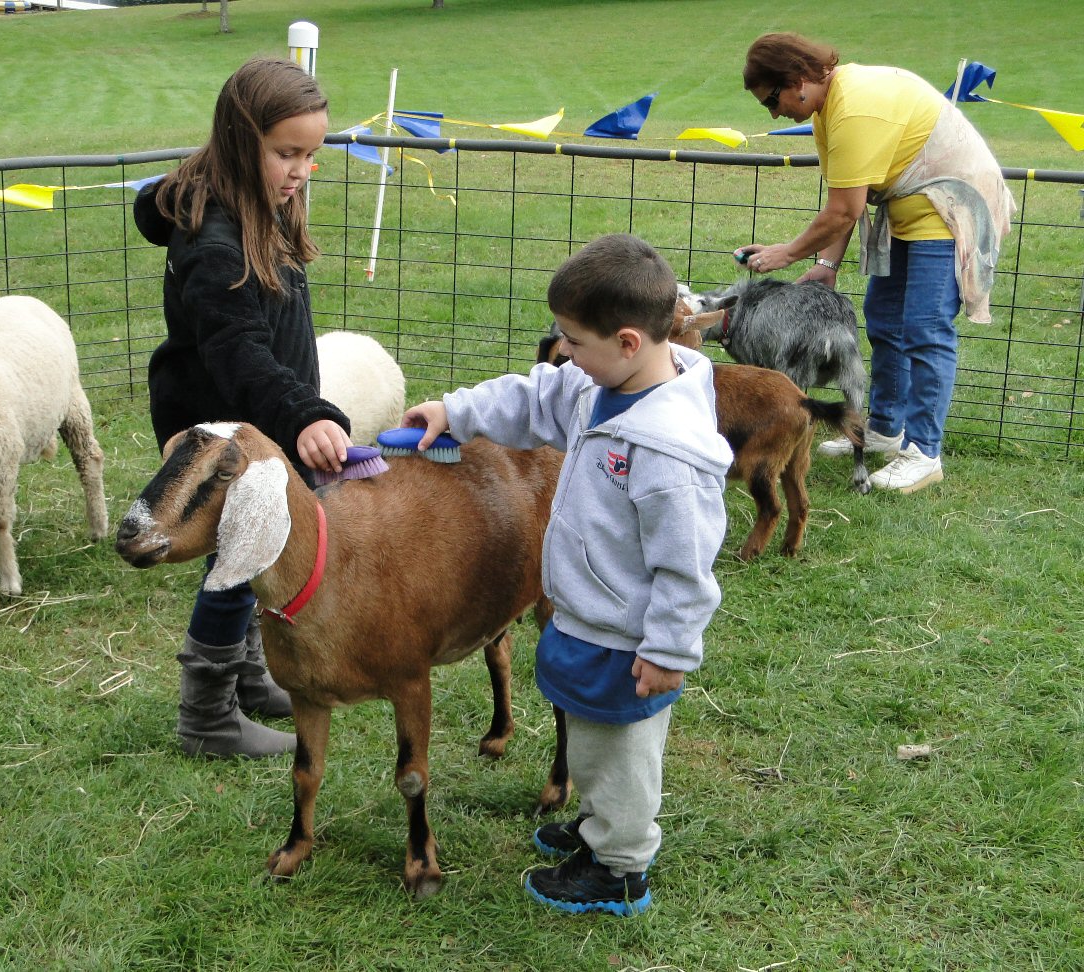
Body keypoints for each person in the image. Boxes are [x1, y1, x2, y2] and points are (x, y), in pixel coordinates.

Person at [402, 234, 732, 916]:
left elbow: (687, 565)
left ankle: (619, 866)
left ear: (631, 341)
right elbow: (536, 397)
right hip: (589, 616)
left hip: (629, 638)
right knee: (590, 735)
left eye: (576, 344)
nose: (565, 357)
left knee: (621, 752)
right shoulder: (600, 385)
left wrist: (668, 650)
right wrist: (455, 413)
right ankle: (597, 828)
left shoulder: (669, 452)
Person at [133, 57, 352, 759]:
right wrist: (305, 413)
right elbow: (239, 350)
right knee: (237, 559)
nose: (301, 171)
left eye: (311, 155)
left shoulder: (247, 201)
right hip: (227, 430)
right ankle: (206, 717)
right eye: (287, 152)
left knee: (257, 554)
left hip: (257, 416)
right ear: (239, 141)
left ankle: (250, 676)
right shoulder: (215, 243)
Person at [737, 33, 1014, 493]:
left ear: (799, 80)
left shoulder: (855, 109)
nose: (773, 113)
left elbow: (843, 211)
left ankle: (925, 453)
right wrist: (827, 263)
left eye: (772, 98)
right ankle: (885, 430)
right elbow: (853, 197)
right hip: (908, 205)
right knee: (884, 320)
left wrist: (786, 253)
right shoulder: (829, 108)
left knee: (925, 328)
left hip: (945, 206)